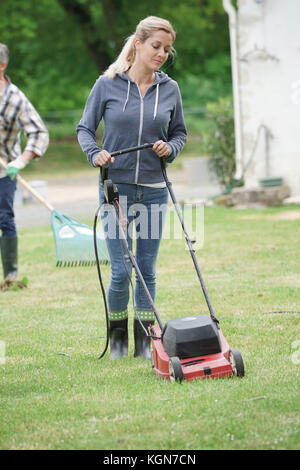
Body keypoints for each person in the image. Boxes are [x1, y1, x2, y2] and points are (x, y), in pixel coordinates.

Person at [77, 16, 187, 360]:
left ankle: (144, 345)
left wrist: (169, 148)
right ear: (138, 44)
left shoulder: (170, 89)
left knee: (147, 269)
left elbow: (180, 134)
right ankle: (118, 343)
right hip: (116, 189)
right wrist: (96, 154)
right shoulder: (107, 85)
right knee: (123, 269)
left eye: (167, 49)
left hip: (154, 189)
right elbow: (84, 129)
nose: (162, 54)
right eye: (156, 46)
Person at [0, 43, 49, 286]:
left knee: (4, 218)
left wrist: (21, 161)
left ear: (2, 65)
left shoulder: (15, 99)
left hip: (4, 170)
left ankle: (10, 276)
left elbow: (39, 132)